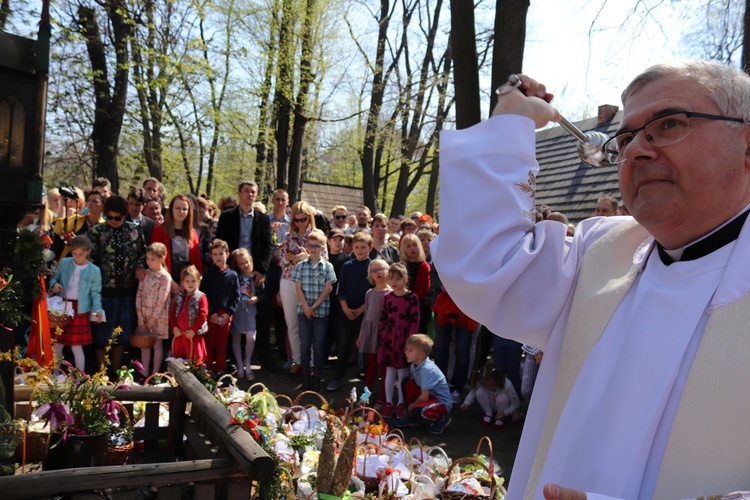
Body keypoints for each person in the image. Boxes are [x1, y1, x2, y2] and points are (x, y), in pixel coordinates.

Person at [432, 62, 750, 499]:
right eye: (626, 137)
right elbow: (484, 267)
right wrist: (511, 123)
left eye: (669, 123)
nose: (636, 150)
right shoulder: (599, 251)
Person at [214, 181, 275, 373]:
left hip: (253, 270)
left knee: (257, 314)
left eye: (253, 192)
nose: (250, 194)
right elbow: (221, 243)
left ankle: (262, 357)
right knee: (232, 311)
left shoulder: (263, 219)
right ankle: (233, 360)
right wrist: (225, 269)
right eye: (246, 191)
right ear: (239, 193)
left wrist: (262, 270)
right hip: (232, 269)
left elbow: (267, 246)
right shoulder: (227, 216)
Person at [88, 195, 147, 374]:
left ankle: (115, 370)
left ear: (125, 215)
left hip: (127, 290)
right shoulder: (97, 231)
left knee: (122, 333)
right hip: (103, 292)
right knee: (101, 334)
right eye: (109, 217)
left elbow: (143, 252)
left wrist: (139, 266)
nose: (113, 221)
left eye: (118, 218)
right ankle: (101, 371)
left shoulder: (134, 230)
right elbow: (90, 258)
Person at [49, 236, 103, 372]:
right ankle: (55, 376)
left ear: (88, 252)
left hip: (80, 308)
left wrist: (98, 310)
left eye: (81, 254)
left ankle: (80, 378)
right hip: (63, 306)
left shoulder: (94, 270)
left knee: (76, 346)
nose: (77, 257)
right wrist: (54, 284)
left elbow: (95, 293)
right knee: (58, 344)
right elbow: (54, 277)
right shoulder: (65, 263)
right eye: (74, 254)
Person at [291, 229, 337, 391]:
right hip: (303, 311)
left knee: (318, 345)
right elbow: (298, 288)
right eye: (311, 246)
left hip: (321, 311)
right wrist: (305, 307)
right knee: (305, 344)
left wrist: (314, 306)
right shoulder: (301, 266)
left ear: (323, 247)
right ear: (307, 247)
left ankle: (317, 377)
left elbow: (328, 288)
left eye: (317, 246)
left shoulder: (327, 267)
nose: (313, 249)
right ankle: (305, 378)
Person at [327, 231, 372, 391]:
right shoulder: (347, 265)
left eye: (363, 247)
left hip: (365, 313)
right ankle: (339, 376)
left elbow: (374, 292)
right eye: (357, 247)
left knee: (365, 348)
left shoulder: (372, 267)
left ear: (370, 248)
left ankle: (368, 383)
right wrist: (345, 308)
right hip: (346, 312)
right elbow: (341, 289)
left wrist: (361, 310)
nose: (360, 250)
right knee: (343, 346)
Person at [278, 200, 319, 373]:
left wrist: (306, 257)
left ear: (309, 218)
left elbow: (325, 262)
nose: (300, 223)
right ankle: (297, 361)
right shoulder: (288, 237)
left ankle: (310, 362)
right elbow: (281, 262)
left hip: (309, 284)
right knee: (292, 324)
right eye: (296, 220)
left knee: (308, 324)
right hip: (288, 281)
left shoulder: (317, 236)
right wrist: (287, 258)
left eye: (303, 219)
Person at [377, 262, 420, 419]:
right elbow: (383, 317)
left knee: (403, 373)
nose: (394, 282)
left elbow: (415, 320)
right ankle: (389, 403)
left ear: (405, 279)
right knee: (389, 372)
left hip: (405, 340)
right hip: (389, 339)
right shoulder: (387, 297)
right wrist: (383, 334)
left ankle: (401, 403)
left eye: (398, 278)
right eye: (392, 278)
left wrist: (410, 342)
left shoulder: (411, 298)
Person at [395, 334, 452, 434]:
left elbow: (424, 397)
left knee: (419, 409)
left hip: (441, 402)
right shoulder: (414, 365)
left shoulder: (427, 369)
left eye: (410, 350)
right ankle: (413, 417)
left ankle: (442, 418)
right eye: (406, 349)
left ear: (421, 355)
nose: (406, 352)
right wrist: (409, 407)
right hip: (429, 397)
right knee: (406, 382)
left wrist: (412, 406)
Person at [200, 239, 240, 375]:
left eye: (221, 254)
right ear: (211, 256)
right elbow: (204, 295)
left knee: (222, 344)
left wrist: (229, 313)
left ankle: (221, 369)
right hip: (211, 314)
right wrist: (211, 313)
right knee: (210, 343)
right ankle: (209, 369)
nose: (218, 257)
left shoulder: (233, 275)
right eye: (215, 254)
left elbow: (236, 296)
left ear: (227, 255)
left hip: (225, 315)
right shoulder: (208, 274)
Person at [151, 194, 204, 294]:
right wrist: (170, 281)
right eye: (178, 208)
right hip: (164, 283)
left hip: (187, 284)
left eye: (185, 209)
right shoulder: (160, 230)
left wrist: (196, 280)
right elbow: (155, 259)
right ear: (171, 209)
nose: (181, 211)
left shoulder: (192, 233)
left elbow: (197, 260)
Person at [135, 242, 172, 376]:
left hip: (158, 317)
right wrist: (140, 316)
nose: (149, 262)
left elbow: (162, 300)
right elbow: (139, 294)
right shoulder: (146, 274)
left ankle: (155, 374)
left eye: (153, 259)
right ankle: (144, 373)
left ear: (162, 258)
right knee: (145, 344)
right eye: (147, 259)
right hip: (144, 315)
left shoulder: (164, 277)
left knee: (157, 344)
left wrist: (152, 319)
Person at [356, 259, 390, 393]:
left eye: (381, 269)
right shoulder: (369, 293)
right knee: (371, 364)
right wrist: (361, 334)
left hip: (384, 333)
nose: (378, 272)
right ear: (371, 275)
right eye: (374, 270)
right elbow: (366, 316)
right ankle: (367, 394)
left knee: (385, 366)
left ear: (388, 271)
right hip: (370, 332)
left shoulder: (391, 293)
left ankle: (384, 396)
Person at [460, 365, 520, 430]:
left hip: (503, 406)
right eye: (485, 385)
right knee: (479, 392)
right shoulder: (481, 382)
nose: (489, 388)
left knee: (502, 397)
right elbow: (473, 392)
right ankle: (488, 413)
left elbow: (516, 403)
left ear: (498, 380)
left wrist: (505, 412)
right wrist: (466, 403)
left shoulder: (507, 385)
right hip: (490, 403)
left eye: (492, 385)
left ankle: (500, 417)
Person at [229, 248, 258, 381]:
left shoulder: (255, 276)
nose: (245, 265)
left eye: (247, 262)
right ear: (237, 265)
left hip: (250, 308)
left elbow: (263, 291)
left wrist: (257, 298)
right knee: (236, 335)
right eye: (241, 263)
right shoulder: (234, 276)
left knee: (250, 337)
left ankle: (248, 363)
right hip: (237, 308)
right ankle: (240, 365)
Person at [170, 265, 208, 362]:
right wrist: (174, 327)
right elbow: (172, 313)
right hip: (180, 335)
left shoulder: (201, 297)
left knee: (195, 360)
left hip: (193, 336)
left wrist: (193, 330)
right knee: (179, 360)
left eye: (193, 281)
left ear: (198, 282)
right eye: (187, 281)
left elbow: (203, 315)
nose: (190, 284)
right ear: (182, 282)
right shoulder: (179, 296)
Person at [400, 233, 430, 333]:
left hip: (419, 307)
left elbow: (423, 288)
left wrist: (410, 301)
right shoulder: (401, 266)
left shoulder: (424, 266)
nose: (412, 248)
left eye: (415, 245)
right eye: (408, 246)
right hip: (401, 306)